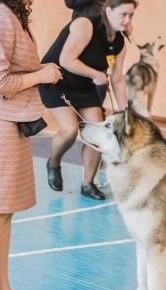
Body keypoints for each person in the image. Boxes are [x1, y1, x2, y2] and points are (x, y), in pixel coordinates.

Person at [0, 0, 62, 290]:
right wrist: (41, 76)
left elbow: (13, 69)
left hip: (12, 123)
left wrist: (41, 70)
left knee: (5, 212)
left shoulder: (10, 15)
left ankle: (3, 288)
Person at [38, 0, 137, 200]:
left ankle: (88, 183)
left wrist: (124, 112)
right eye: (123, 14)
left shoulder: (119, 43)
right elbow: (66, 60)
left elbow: (117, 79)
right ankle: (54, 162)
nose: (127, 20)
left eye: (131, 15)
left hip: (84, 86)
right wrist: (95, 74)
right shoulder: (86, 24)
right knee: (70, 130)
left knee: (98, 131)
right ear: (108, 11)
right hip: (56, 80)